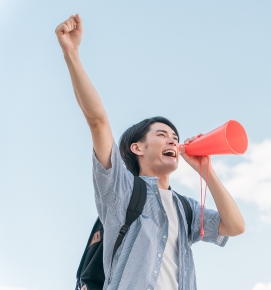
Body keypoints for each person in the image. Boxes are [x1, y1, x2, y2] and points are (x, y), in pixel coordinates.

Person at [55, 14, 245, 289]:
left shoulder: (185, 208)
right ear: (137, 148)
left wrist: (207, 172)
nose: (172, 141)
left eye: (175, 137)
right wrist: (71, 53)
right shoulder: (120, 190)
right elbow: (98, 122)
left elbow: (235, 226)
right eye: (161, 135)